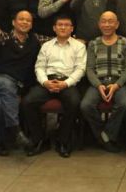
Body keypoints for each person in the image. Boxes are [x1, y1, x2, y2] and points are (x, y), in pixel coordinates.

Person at [0, 10, 45, 156]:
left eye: (28, 20)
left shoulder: (36, 39)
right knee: (6, 84)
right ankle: (16, 130)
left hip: (12, 87)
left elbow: (58, 38)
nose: (24, 22)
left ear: (31, 25)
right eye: (21, 19)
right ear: (13, 22)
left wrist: (76, 39)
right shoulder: (5, 38)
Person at [20, 15, 87, 158]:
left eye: (66, 25)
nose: (63, 27)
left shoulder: (79, 46)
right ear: (54, 28)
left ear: (72, 29)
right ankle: (39, 139)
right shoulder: (46, 46)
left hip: (67, 82)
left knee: (74, 102)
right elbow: (39, 67)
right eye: (60, 25)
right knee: (27, 102)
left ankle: (62, 140)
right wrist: (45, 82)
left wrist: (65, 83)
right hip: (48, 81)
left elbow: (80, 69)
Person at [80, 11, 126, 152]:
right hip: (98, 83)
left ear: (117, 24)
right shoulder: (93, 43)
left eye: (111, 21)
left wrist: (117, 85)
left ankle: (106, 135)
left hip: (118, 82)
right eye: (104, 21)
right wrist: (98, 85)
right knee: (85, 105)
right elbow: (89, 68)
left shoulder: (125, 42)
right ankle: (102, 135)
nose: (107, 24)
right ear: (99, 24)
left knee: (125, 104)